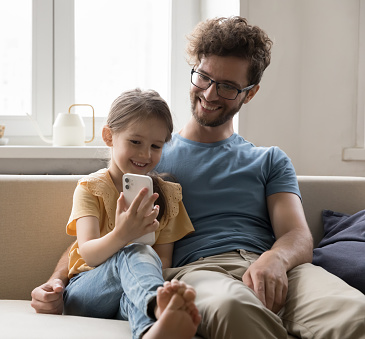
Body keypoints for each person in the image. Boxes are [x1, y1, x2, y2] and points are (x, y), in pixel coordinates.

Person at [32, 16, 365, 338]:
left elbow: (298, 236)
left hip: (282, 272)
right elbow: (101, 230)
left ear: (250, 93)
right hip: (200, 273)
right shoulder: (150, 156)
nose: (209, 93)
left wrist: (275, 259)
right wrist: (57, 280)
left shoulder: (269, 159)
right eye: (203, 77)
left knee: (354, 312)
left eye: (228, 87)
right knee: (233, 308)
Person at [61, 88, 201, 339]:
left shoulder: (167, 196)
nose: (145, 154)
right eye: (135, 142)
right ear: (109, 136)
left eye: (156, 146)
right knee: (135, 250)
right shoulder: (90, 188)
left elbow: (163, 262)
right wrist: (123, 234)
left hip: (132, 292)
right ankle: (160, 305)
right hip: (86, 291)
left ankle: (151, 331)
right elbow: (89, 255)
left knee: (135, 292)